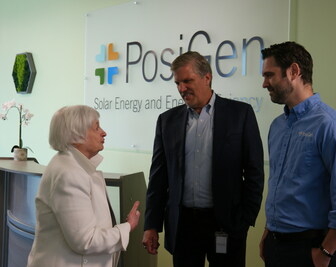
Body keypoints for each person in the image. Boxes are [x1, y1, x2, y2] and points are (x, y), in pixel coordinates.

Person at [142, 51, 264, 267]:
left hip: (226, 224)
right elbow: (158, 178)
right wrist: (151, 225)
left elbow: (254, 171)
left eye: (187, 81)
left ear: (207, 77)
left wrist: (245, 219)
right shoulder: (167, 121)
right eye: (177, 83)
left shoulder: (240, 114)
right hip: (183, 225)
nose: (181, 89)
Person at [259, 41, 336, 267]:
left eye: (270, 75)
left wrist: (325, 253)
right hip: (276, 245)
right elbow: (280, 185)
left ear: (294, 71)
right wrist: (269, 232)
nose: (264, 83)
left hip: (312, 250)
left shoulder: (330, 126)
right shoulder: (277, 126)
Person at [27, 105, 141, 267]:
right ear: (76, 135)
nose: (103, 132)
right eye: (96, 128)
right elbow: (86, 241)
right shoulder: (69, 173)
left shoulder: (72, 165)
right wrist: (127, 227)